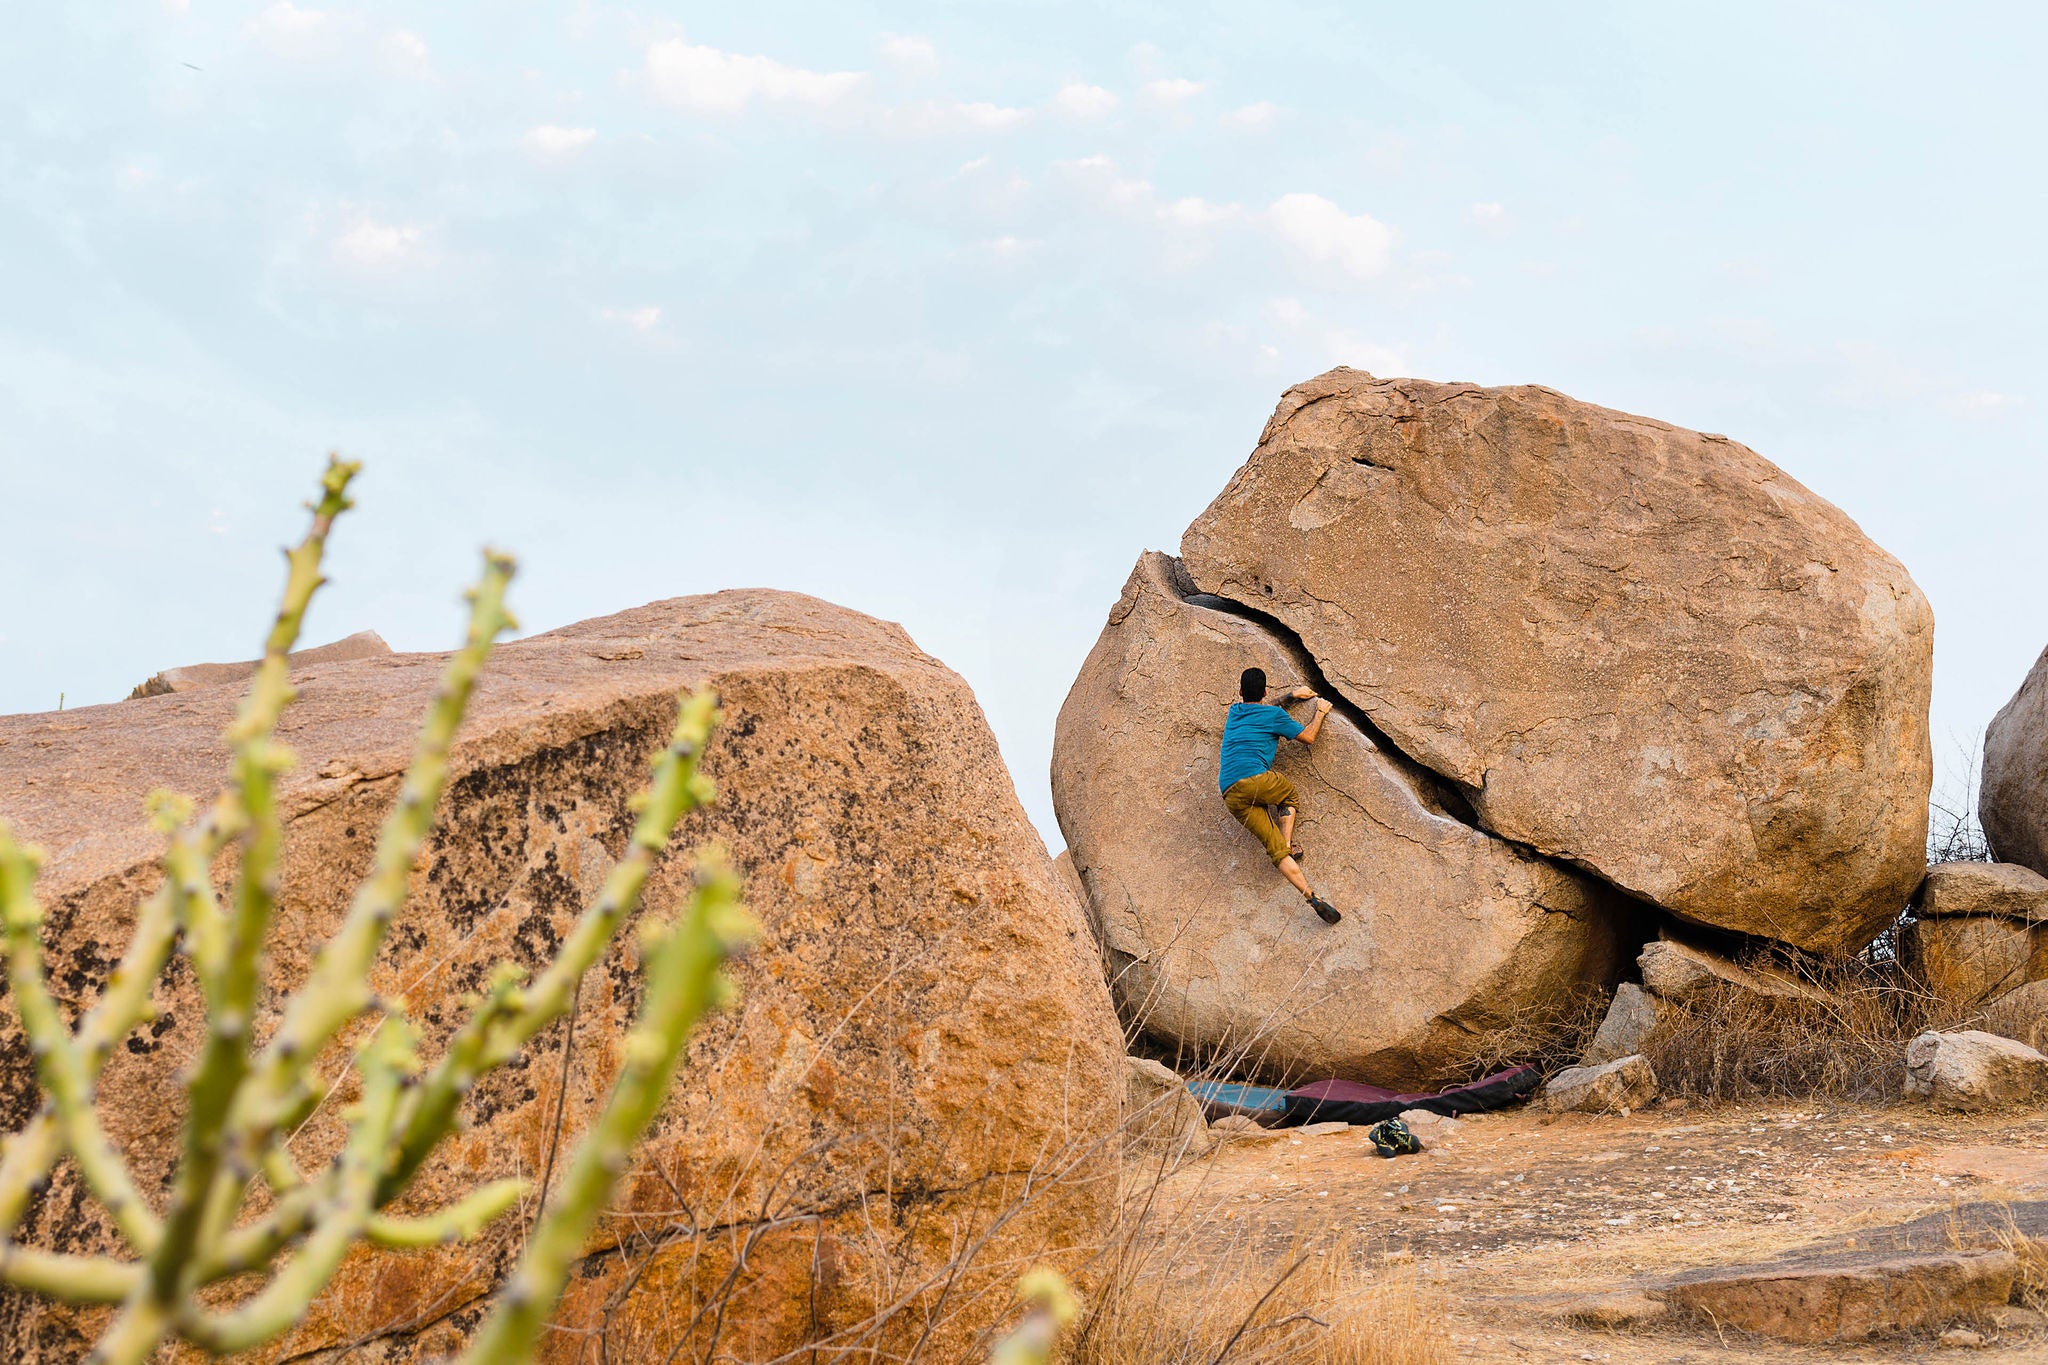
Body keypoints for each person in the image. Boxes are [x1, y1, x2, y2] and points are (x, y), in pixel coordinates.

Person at [1218, 666, 1343, 924]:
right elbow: (1307, 737)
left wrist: (1292, 696)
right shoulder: (1273, 714)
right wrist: (1319, 712)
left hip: (1229, 792)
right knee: (1289, 797)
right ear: (1264, 691)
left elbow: (1265, 707)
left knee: (1274, 852)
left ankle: (1311, 896)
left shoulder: (1235, 711)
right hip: (1256, 780)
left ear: (1240, 692)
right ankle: (1287, 842)